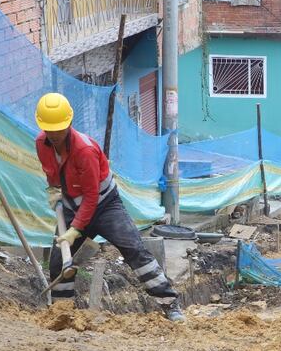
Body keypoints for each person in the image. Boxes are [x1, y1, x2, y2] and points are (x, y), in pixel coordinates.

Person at [34, 93, 185, 321]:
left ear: (69, 123)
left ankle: (170, 304)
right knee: (58, 262)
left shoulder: (84, 150)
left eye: (59, 129)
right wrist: (54, 189)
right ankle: (62, 313)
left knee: (134, 248)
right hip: (71, 207)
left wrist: (75, 230)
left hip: (104, 206)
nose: (54, 135)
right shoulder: (41, 143)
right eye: (50, 130)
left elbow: (92, 197)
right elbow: (52, 172)